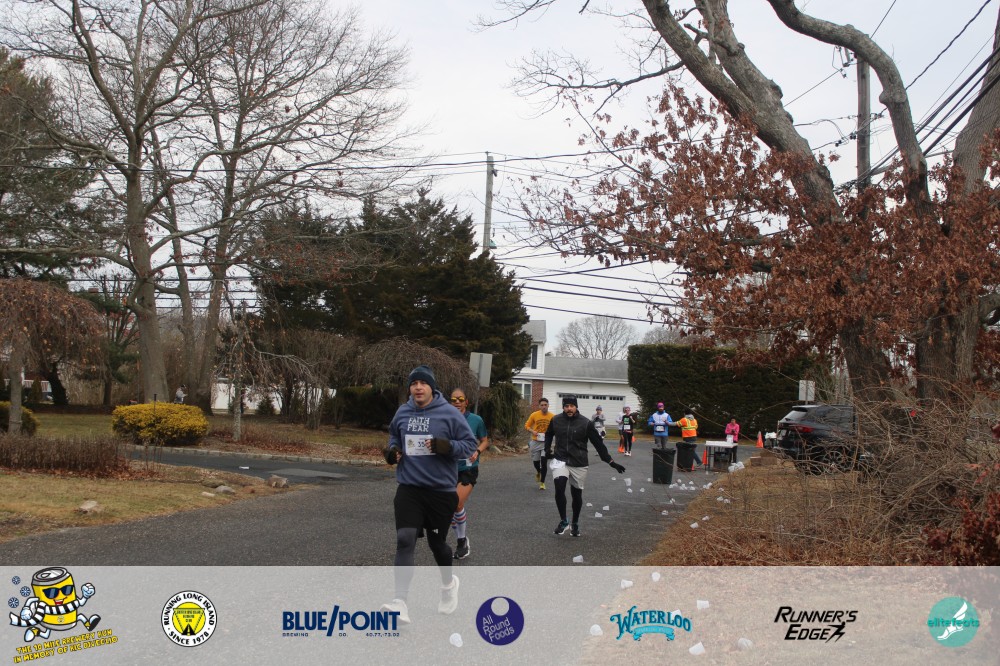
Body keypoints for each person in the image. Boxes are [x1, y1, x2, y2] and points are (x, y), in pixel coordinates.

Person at [380, 365, 477, 624]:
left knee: (437, 545)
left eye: (423, 383)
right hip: (409, 488)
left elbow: (470, 445)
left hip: (440, 491)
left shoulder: (449, 413)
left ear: (432, 388)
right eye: (414, 384)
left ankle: (448, 585)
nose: (418, 387)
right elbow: (393, 435)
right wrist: (392, 451)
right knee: (405, 539)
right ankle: (400, 602)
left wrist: (446, 446)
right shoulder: (403, 412)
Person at [545, 395, 626, 538]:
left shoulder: (586, 423)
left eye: (571, 406)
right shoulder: (556, 420)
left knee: (576, 495)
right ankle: (564, 521)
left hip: (579, 462)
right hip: (560, 460)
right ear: (563, 407)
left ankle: (575, 522)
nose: (569, 409)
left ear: (576, 407)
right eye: (566, 406)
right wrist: (547, 449)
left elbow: (598, 444)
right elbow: (549, 433)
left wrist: (611, 462)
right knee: (559, 488)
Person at [449, 388, 489, 560]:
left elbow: (485, 440)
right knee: (449, 508)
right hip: (448, 469)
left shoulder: (476, 420)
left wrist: (477, 451)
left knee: (456, 503)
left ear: (466, 402)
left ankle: (461, 542)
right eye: (454, 399)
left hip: (468, 468)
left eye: (460, 399)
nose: (457, 402)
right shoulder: (445, 419)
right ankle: (462, 537)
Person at [525, 398, 554, 490]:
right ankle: (538, 472)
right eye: (542, 405)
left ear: (548, 405)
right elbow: (527, 426)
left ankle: (542, 483)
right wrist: (532, 431)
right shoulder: (534, 415)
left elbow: (556, 429)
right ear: (539, 406)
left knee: (544, 462)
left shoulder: (553, 416)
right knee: (536, 462)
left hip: (546, 442)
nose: (544, 407)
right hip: (535, 441)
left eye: (545, 405)